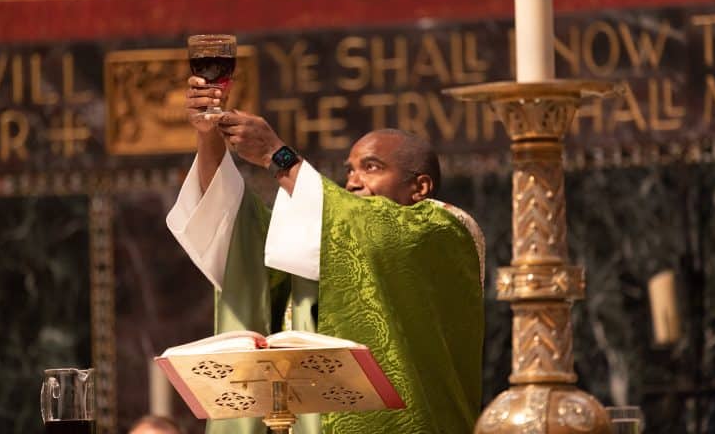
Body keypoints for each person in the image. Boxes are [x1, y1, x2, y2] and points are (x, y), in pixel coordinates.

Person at [166, 77, 485, 434]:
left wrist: (277, 155)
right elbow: (232, 226)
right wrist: (209, 135)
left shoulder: (443, 230)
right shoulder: (325, 232)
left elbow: (373, 232)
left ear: (420, 187)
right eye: (349, 169)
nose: (353, 181)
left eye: (372, 167)